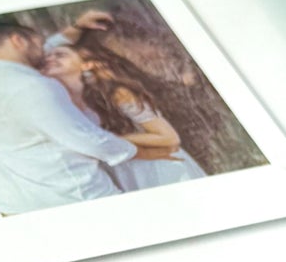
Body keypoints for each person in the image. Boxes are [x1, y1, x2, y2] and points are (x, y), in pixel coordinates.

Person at [0, 20, 145, 214]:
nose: (45, 52)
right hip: (73, 196)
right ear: (18, 41)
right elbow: (90, 142)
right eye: (40, 44)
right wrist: (142, 150)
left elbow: (30, 56)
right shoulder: (33, 86)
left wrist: (75, 28)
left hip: (14, 198)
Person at [43, 35, 207, 191]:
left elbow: (169, 137)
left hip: (157, 168)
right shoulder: (60, 104)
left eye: (60, 55)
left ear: (86, 65)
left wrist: (107, 140)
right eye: (47, 57)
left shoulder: (115, 93)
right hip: (121, 174)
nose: (51, 59)